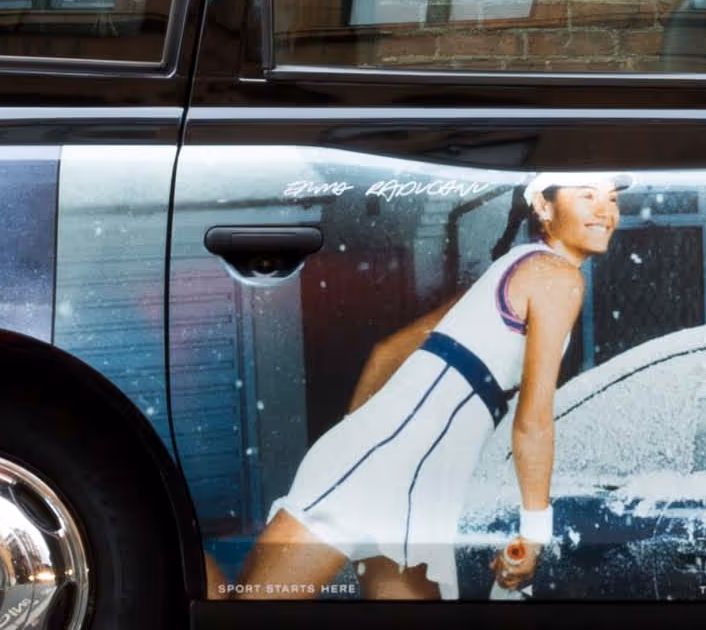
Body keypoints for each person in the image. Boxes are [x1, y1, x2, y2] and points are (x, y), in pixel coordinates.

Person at [224, 177, 618, 602]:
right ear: (543, 205)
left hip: (412, 477)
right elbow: (534, 420)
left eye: (612, 199)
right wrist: (536, 532)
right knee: (248, 614)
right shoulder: (558, 277)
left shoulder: (516, 263)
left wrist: (355, 440)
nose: (605, 211)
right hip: (390, 465)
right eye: (587, 196)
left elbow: (386, 352)